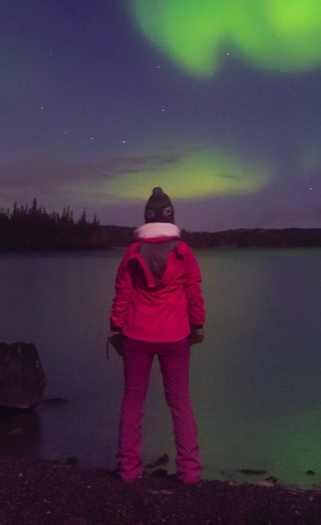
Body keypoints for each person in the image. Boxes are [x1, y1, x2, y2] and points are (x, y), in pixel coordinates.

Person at [109, 186, 204, 483]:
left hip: (137, 336)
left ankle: (127, 470)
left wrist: (115, 324)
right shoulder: (183, 252)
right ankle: (189, 472)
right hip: (176, 336)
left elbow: (122, 292)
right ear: (169, 218)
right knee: (180, 402)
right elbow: (193, 291)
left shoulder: (133, 253)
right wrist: (197, 324)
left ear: (147, 220)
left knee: (133, 401)